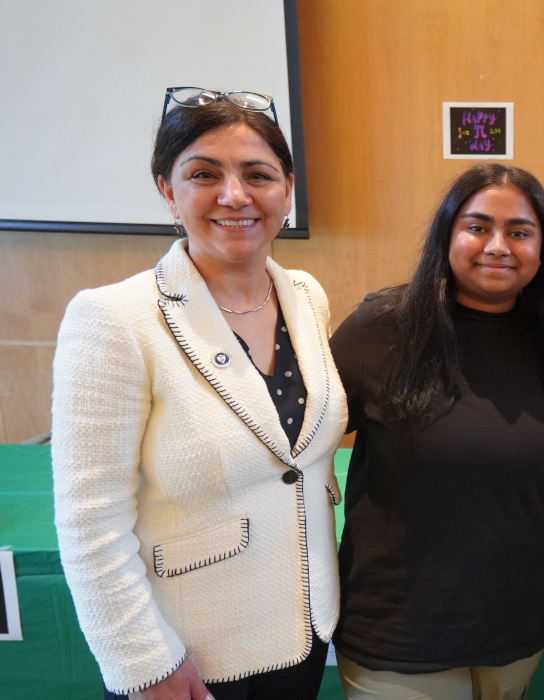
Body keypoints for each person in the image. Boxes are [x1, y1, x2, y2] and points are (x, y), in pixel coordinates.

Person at [51, 90, 349, 700]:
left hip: (305, 629)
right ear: (168, 191)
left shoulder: (305, 296)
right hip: (188, 656)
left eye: (258, 175)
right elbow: (90, 522)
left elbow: (298, 466)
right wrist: (144, 665)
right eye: (204, 174)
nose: (235, 195)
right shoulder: (114, 319)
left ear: (287, 192)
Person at [328, 163, 544, 699]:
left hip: (516, 623)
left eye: (520, 231)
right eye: (478, 226)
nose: (498, 246)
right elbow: (297, 444)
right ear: (447, 235)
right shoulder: (381, 328)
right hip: (400, 631)